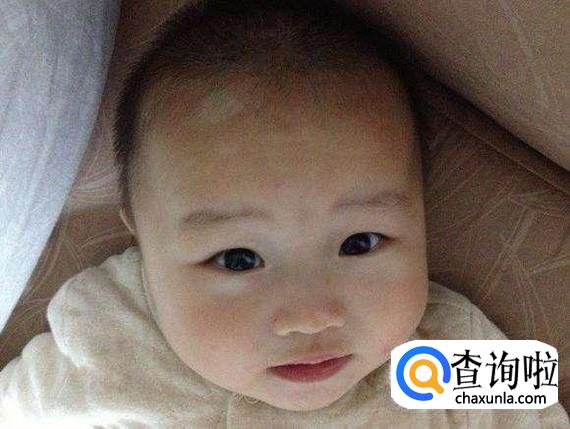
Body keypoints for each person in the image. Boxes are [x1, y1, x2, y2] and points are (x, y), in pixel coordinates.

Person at [1, 0, 568, 426]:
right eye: (239, 259)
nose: (310, 317)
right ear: (143, 235)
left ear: (420, 214)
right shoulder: (110, 333)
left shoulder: (443, 359)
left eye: (360, 243)